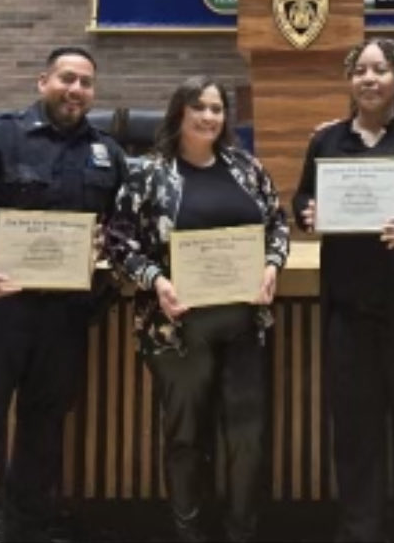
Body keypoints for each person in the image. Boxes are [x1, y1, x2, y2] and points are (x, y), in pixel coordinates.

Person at [0, 47, 126, 543]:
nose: (76, 90)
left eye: (85, 83)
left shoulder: (107, 151)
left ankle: (28, 532)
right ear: (43, 82)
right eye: (67, 78)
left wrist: (110, 248)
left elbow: (126, 220)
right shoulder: (0, 135)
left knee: (44, 429)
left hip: (65, 315)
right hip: (3, 309)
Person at [105, 75, 289, 543]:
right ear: (179, 113)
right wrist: (157, 281)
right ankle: (191, 535)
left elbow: (278, 224)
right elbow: (118, 242)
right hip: (177, 327)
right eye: (199, 107)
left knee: (247, 440)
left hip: (246, 325)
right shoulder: (147, 173)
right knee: (187, 440)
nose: (209, 116)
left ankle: (242, 532)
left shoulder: (246, 168)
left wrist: (272, 265)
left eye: (217, 108)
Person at [292, 38, 394, 542]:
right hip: (350, 311)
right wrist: (308, 213)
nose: (369, 78)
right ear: (350, 82)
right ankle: (360, 528)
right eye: (360, 70)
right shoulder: (327, 142)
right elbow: (302, 196)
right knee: (356, 429)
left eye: (380, 69)